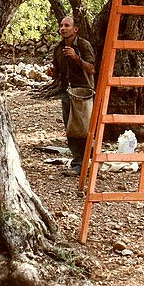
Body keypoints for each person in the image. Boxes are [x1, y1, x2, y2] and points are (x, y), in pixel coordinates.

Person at [48, 16, 95, 174]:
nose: (63, 28)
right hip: (67, 93)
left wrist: (77, 58)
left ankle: (91, 161)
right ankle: (78, 165)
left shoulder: (83, 45)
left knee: (84, 128)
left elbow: (92, 69)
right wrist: (52, 73)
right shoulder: (58, 48)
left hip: (84, 93)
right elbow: (57, 72)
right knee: (71, 129)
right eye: (61, 25)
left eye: (67, 25)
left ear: (75, 29)